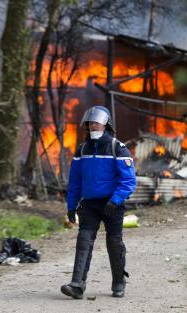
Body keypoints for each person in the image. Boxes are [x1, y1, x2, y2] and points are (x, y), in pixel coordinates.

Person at [61, 105, 136, 299]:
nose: (92, 126)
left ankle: (119, 283)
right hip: (89, 205)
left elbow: (128, 181)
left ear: (105, 124)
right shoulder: (82, 149)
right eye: (89, 123)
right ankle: (77, 285)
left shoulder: (117, 148)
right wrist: (71, 207)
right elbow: (75, 181)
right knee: (83, 242)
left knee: (114, 243)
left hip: (112, 204)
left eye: (96, 122)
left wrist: (115, 200)